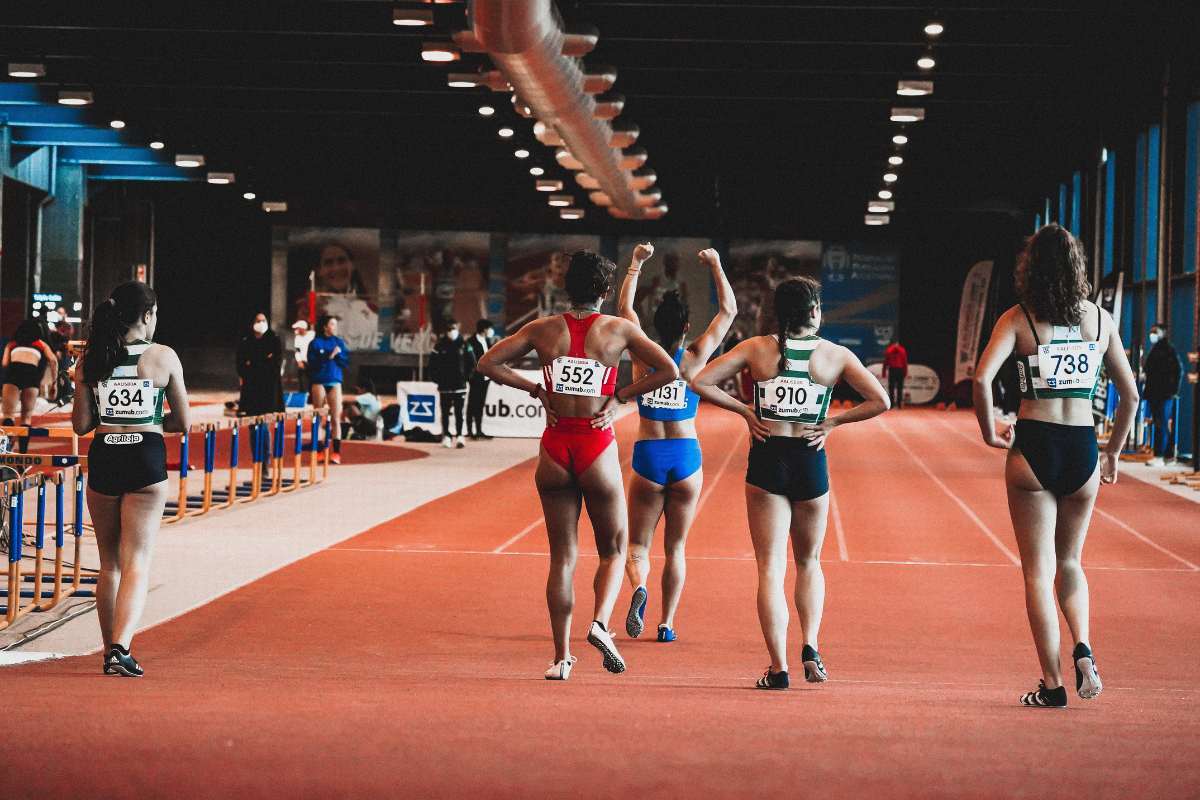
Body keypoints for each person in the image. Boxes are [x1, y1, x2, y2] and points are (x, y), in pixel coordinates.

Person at [477, 251, 678, 681]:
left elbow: (487, 363)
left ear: (568, 288)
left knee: (562, 558)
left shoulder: (543, 328)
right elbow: (669, 368)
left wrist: (536, 389)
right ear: (605, 292)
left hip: (554, 446)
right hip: (595, 445)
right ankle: (600, 624)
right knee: (613, 550)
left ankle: (560, 657)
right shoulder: (618, 329)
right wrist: (621, 396)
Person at [692, 277, 889, 690]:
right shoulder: (835, 355)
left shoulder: (756, 349)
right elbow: (881, 401)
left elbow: (699, 380)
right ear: (815, 311)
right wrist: (833, 422)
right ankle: (811, 646)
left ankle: (778, 667)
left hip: (767, 457)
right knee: (809, 562)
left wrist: (746, 412)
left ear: (779, 313)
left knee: (770, 567)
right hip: (809, 459)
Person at [971, 224, 1138, 708]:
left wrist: (987, 430)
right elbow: (1130, 394)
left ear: (1031, 268)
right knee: (1071, 562)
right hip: (1083, 447)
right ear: (1077, 268)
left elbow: (981, 379)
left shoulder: (1019, 319)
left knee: (1036, 571)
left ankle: (1052, 682)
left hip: (1034, 445)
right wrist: (1113, 452)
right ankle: (1083, 645)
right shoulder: (1101, 321)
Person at [619, 244, 737, 643]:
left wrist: (635, 264)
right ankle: (667, 623)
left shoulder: (642, 354)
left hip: (648, 456)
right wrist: (717, 266)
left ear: (655, 325)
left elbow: (625, 312)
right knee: (677, 547)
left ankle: (639, 587)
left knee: (637, 544)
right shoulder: (695, 357)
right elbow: (728, 313)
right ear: (686, 329)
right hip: (686, 457)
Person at [71, 281, 190, 677]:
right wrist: (150, 422)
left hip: (105, 454)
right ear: (147, 315)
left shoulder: (92, 359)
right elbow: (183, 423)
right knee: (136, 558)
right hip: (145, 453)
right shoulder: (163, 356)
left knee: (109, 563)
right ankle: (121, 647)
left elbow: (81, 424)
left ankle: (109, 649)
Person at [2, 319, 59, 443]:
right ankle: (23, 457)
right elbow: (53, 361)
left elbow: (5, 363)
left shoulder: (12, 344)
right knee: (26, 418)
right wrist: (54, 383)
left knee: (8, 415)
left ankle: (5, 452)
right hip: (31, 373)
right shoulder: (40, 343)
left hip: (14, 372)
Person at [308, 315, 349, 465]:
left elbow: (345, 362)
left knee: (336, 418)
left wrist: (337, 355)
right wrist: (328, 355)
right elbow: (312, 363)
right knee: (318, 417)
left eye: (335, 324)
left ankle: (336, 453)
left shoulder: (339, 342)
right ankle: (319, 452)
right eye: (332, 324)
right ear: (325, 327)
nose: (335, 327)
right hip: (319, 381)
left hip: (335, 381)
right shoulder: (315, 343)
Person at [1142, 322, 1182, 466]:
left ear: (1163, 333)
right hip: (1155, 392)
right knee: (1161, 423)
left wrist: (1173, 391)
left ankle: (1160, 455)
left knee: (1161, 424)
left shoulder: (1168, 350)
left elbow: (1178, 370)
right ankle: (1168, 455)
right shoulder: (1156, 349)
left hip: (1163, 393)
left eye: (1155, 331)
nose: (1152, 334)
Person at [431, 319, 475, 449]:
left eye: (453, 328)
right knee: (444, 412)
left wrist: (466, 378)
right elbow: (432, 365)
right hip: (444, 387)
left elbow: (472, 363)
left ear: (458, 328)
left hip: (460, 386)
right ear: (446, 331)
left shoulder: (465, 344)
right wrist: (437, 379)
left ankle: (460, 435)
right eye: (449, 329)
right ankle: (447, 436)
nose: (452, 331)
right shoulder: (439, 346)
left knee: (459, 412)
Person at [235, 313, 284, 417]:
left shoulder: (273, 338)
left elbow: (276, 361)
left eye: (263, 320)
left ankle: (265, 433)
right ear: (253, 323)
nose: (261, 323)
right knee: (251, 414)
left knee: (266, 413)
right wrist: (263, 359)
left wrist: (253, 362)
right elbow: (241, 361)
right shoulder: (246, 340)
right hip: (251, 382)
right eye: (258, 321)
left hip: (268, 382)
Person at [465, 319, 496, 440]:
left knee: (480, 404)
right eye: (489, 328)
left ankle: (478, 430)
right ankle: (469, 430)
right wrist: (470, 375)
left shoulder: (487, 341)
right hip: (475, 377)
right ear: (484, 329)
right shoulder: (471, 342)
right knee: (472, 404)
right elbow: (468, 360)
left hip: (485, 378)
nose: (491, 331)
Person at [883, 337, 908, 408]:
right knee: (900, 387)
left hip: (892, 370)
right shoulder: (902, 350)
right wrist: (905, 372)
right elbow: (905, 362)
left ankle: (891, 405)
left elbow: (886, 362)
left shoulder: (889, 350)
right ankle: (899, 405)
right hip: (900, 370)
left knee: (891, 387)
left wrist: (884, 372)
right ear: (897, 343)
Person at [291, 320, 314, 396]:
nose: (296, 330)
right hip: (303, 361)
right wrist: (299, 361)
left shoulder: (312, 335)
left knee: (312, 379)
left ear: (303, 328)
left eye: (298, 328)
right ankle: (302, 394)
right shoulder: (297, 338)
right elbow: (297, 351)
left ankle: (312, 396)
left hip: (312, 360)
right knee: (302, 379)